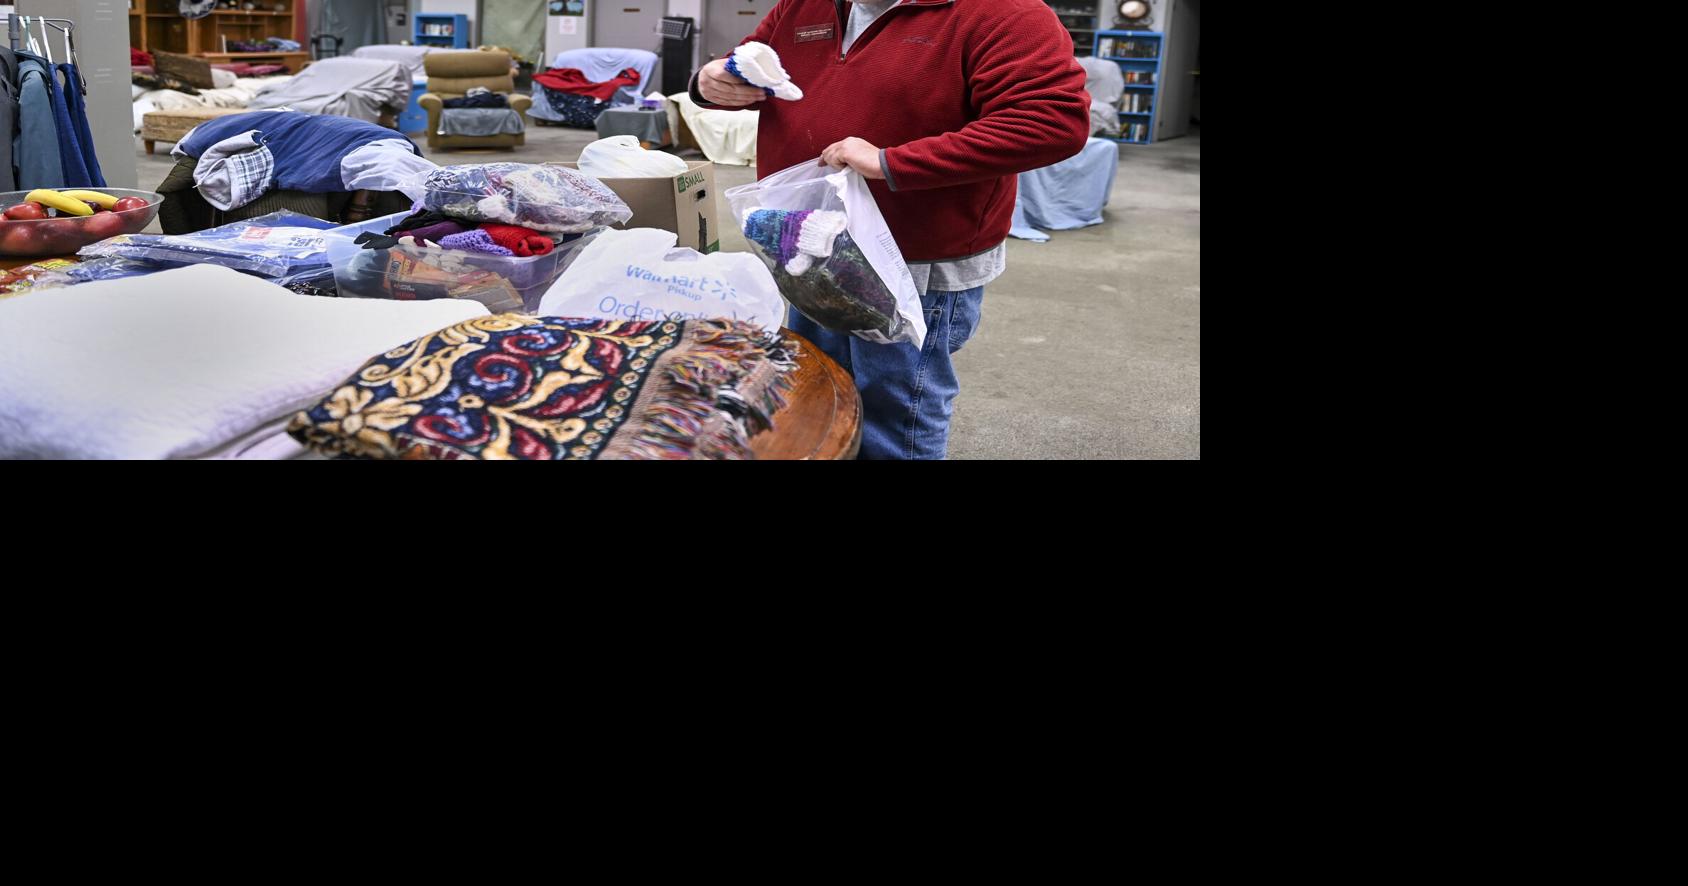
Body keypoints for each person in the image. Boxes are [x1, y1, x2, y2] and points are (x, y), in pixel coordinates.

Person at [693, 0, 1089, 460]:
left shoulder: (1001, 12)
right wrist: (710, 82)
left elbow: (1051, 121)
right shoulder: (802, 6)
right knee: (821, 391)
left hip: (910, 258)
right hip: (804, 240)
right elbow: (748, 65)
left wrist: (891, 162)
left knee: (894, 412)